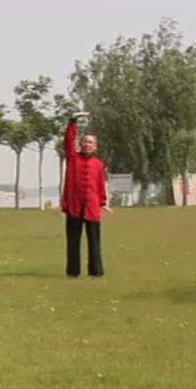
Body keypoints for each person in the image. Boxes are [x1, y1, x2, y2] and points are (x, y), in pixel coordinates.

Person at [61, 110, 111, 277]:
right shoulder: (73, 158)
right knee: (73, 242)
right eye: (85, 142)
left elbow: (100, 185)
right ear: (80, 144)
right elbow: (68, 140)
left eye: (91, 143)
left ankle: (96, 271)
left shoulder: (98, 164)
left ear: (95, 146)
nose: (87, 145)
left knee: (94, 242)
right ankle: (73, 271)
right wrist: (73, 121)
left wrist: (103, 203)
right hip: (74, 206)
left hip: (92, 207)